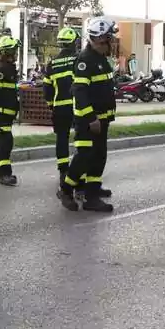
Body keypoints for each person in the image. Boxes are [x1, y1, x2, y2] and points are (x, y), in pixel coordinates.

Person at [58, 17, 117, 213]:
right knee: (85, 157)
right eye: (108, 39)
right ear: (99, 39)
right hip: (88, 120)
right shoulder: (85, 60)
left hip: (102, 118)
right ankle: (66, 189)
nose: (111, 43)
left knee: (99, 156)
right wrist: (91, 118)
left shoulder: (100, 58)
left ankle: (93, 190)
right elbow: (79, 92)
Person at [44, 26, 78, 190]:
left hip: (59, 107)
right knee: (82, 139)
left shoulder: (52, 63)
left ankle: (63, 171)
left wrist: (51, 105)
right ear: (73, 43)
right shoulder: (78, 60)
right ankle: (79, 174)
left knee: (61, 139)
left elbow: (47, 88)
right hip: (77, 106)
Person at [0, 35, 21, 187]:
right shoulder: (2, 69)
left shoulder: (6, 68)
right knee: (5, 143)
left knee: (0, 144)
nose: (16, 54)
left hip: (5, 114)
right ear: (8, 52)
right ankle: (5, 174)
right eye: (14, 51)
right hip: (2, 114)